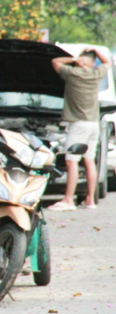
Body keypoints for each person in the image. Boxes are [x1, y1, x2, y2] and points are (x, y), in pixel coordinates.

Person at [47, 45, 110, 211]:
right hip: (93, 123)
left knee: (71, 161)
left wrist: (74, 60)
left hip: (78, 124)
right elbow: (107, 63)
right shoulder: (96, 74)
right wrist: (96, 52)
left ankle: (68, 199)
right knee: (89, 161)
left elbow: (55, 61)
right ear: (92, 63)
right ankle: (90, 200)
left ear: (81, 62)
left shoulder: (73, 74)